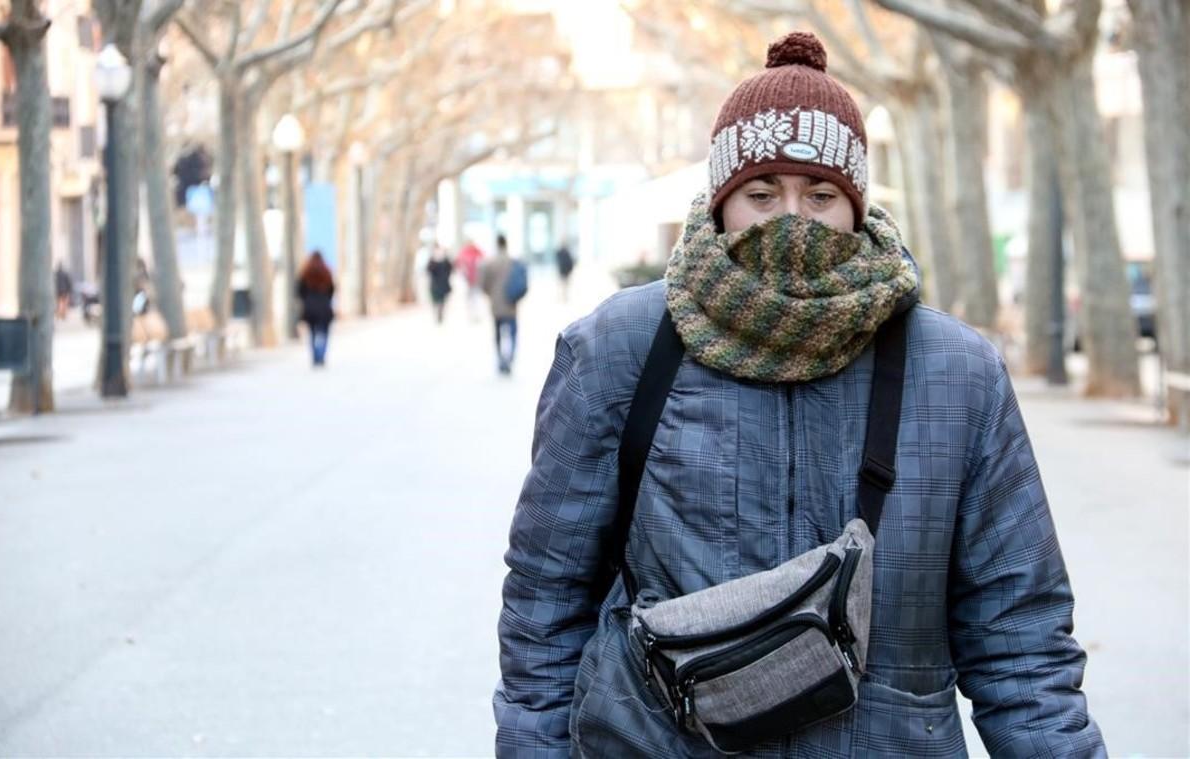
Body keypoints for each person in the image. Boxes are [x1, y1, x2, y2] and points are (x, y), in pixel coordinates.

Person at [494, 32, 1104, 758]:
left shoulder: (957, 371)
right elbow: (546, 600)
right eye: (760, 194)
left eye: (820, 194)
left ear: (855, 204)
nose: (792, 219)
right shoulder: (618, 349)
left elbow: (1022, 641)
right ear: (720, 202)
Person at [480, 234, 524, 375]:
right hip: (511, 304)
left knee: (498, 333)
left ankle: (500, 359)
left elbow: (483, 284)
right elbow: (523, 284)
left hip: (496, 305)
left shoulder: (489, 263)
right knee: (512, 334)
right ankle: (509, 359)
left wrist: (491, 295)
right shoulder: (514, 262)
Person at [297, 251, 335, 367]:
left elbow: (300, 291)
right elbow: (332, 289)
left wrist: (307, 299)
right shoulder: (326, 272)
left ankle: (315, 357)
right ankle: (321, 356)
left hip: (310, 307)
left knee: (313, 333)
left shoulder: (306, 272)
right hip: (324, 306)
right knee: (324, 333)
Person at [455, 238, 486, 322]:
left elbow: (484, 264)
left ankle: (477, 315)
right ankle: (471, 315)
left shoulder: (478, 252)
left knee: (477, 297)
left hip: (477, 279)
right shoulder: (463, 253)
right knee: (469, 298)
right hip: (467, 280)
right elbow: (459, 265)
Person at [426, 247, 454, 324]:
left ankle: (440, 314)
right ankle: (437, 313)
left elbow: (451, 268)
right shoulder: (432, 261)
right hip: (434, 285)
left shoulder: (446, 261)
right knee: (435, 301)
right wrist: (434, 260)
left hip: (444, 285)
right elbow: (428, 270)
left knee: (442, 301)